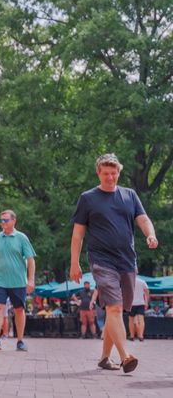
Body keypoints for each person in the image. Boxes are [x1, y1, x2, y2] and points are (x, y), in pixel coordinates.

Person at [70, 153, 158, 373]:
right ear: (99, 173)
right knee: (114, 307)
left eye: (114, 173)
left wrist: (150, 234)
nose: (110, 177)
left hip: (127, 260)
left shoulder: (130, 195)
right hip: (101, 260)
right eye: (106, 173)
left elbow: (143, 218)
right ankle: (126, 356)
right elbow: (78, 234)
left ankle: (104, 358)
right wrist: (74, 263)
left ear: (119, 172)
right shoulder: (88, 198)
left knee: (116, 311)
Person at [0, 210, 36, 352]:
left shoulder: (21, 238)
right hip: (0, 280)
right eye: (1, 220)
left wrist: (31, 280)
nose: (2, 223)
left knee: (19, 309)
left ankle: (20, 340)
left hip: (18, 281)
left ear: (14, 221)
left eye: (5, 220)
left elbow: (30, 260)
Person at [128, 277, 149, 341]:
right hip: (140, 303)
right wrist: (146, 302)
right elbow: (147, 292)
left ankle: (132, 336)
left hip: (131, 303)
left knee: (131, 319)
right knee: (141, 319)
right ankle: (141, 335)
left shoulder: (129, 281)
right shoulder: (142, 281)